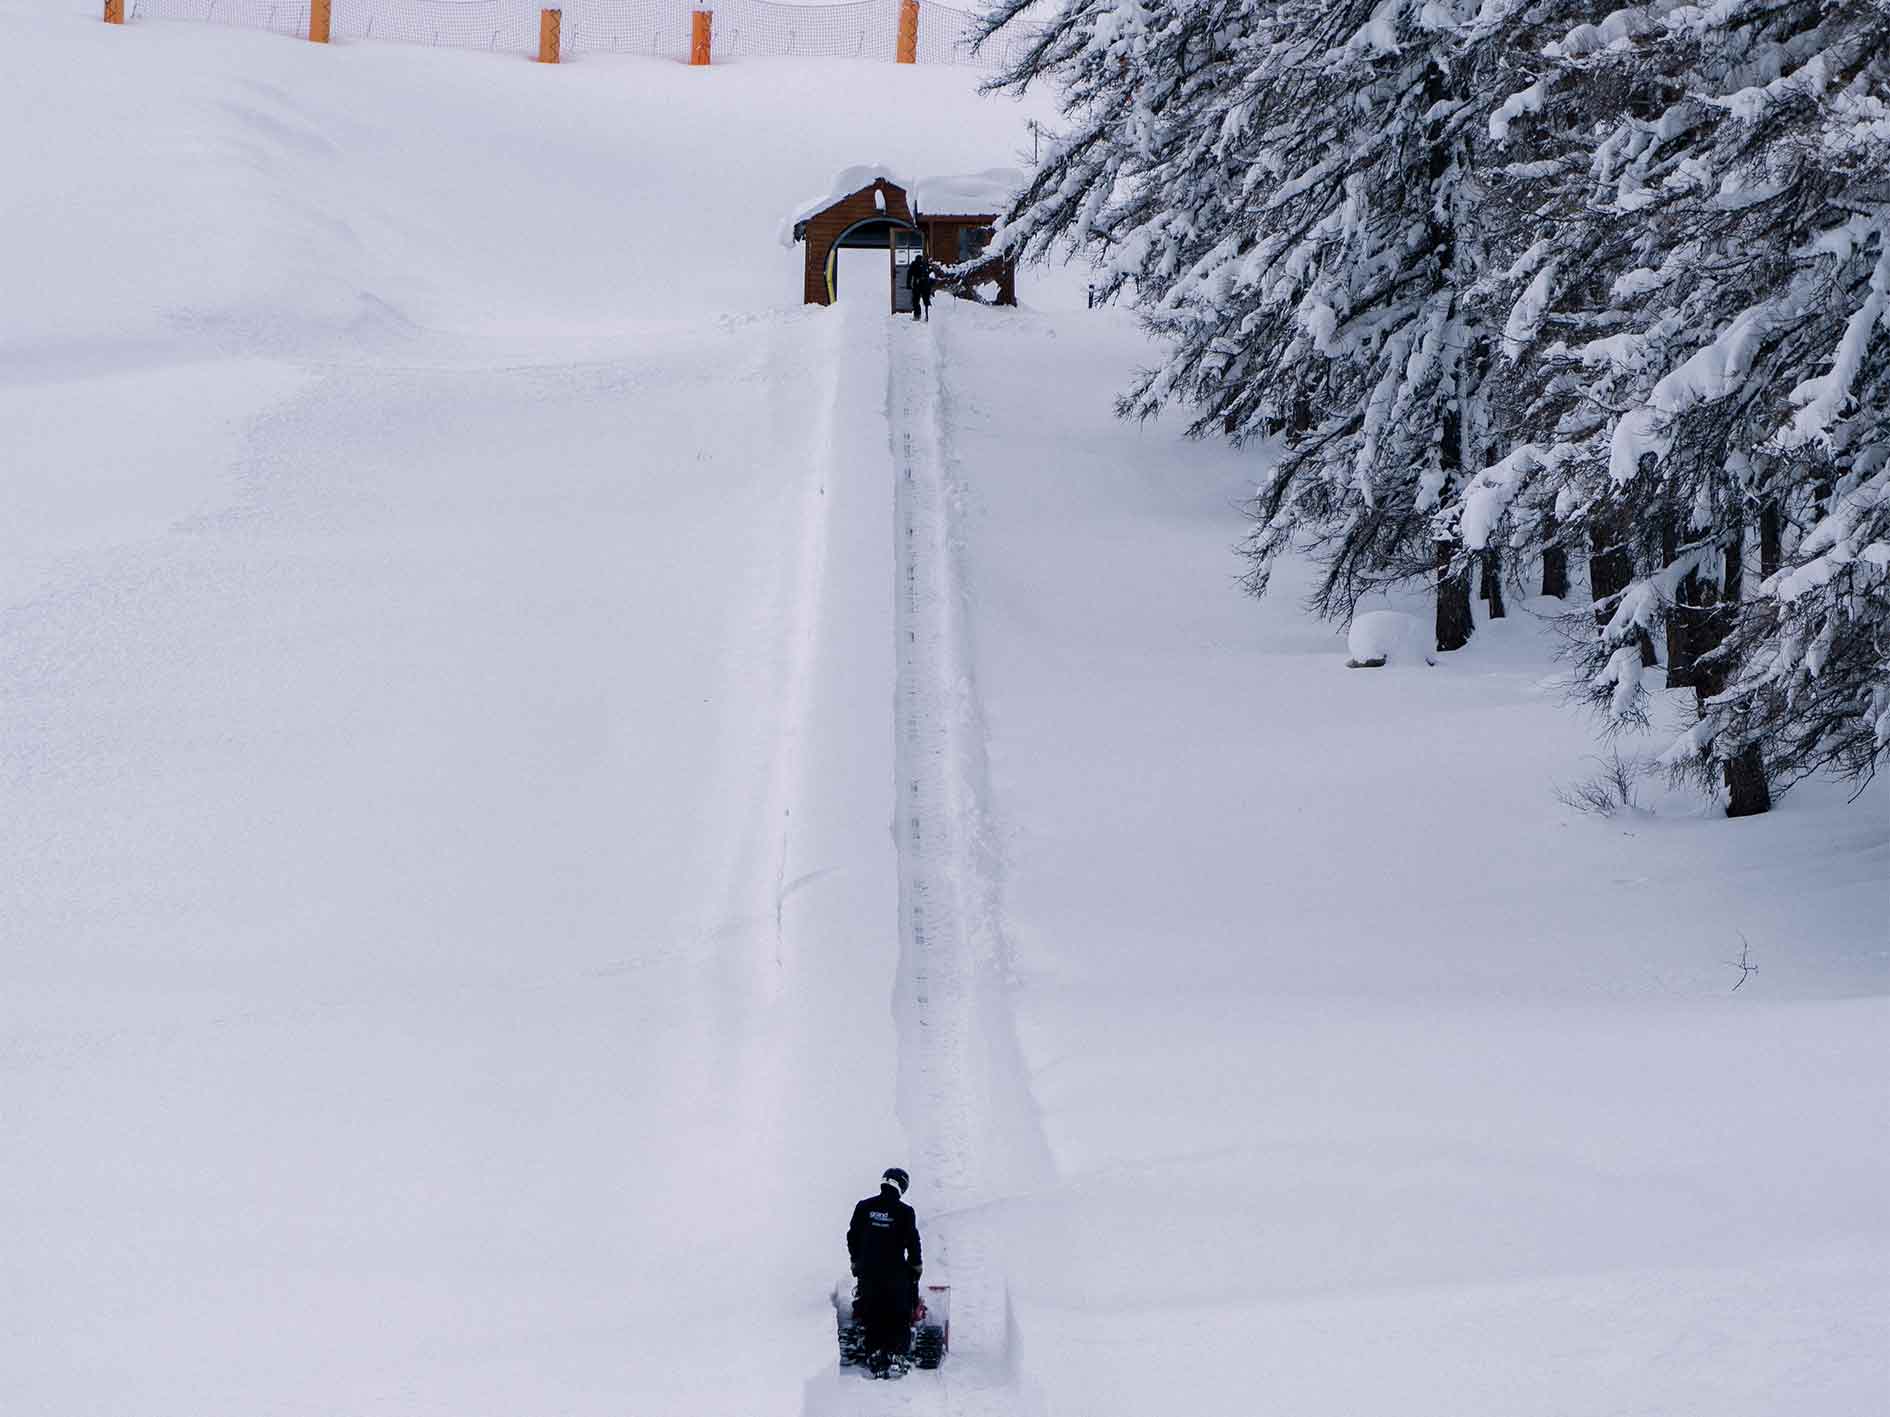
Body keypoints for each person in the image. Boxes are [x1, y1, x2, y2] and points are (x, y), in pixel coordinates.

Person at [846, 1166, 923, 1378]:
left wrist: (856, 1261)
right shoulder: (905, 1212)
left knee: (872, 1312)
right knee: (899, 1313)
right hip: (895, 1274)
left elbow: (853, 1236)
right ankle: (897, 1353)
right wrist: (916, 1266)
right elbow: (912, 1242)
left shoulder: (864, 1207)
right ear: (902, 1187)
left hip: (868, 1273)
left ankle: (874, 1353)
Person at [907, 252, 934, 323]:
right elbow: (931, 274)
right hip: (925, 284)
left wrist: (908, 285)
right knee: (926, 301)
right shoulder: (925, 264)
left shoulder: (914, 264)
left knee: (915, 301)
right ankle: (928, 317)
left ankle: (917, 316)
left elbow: (909, 274)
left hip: (917, 284)